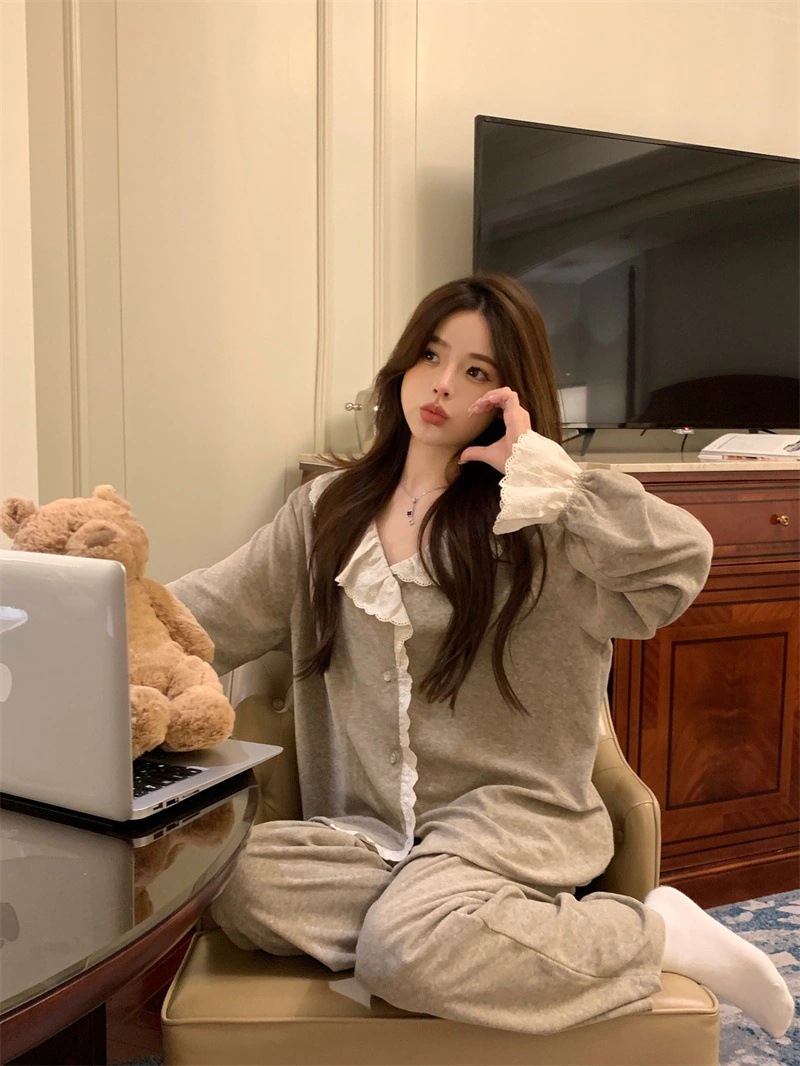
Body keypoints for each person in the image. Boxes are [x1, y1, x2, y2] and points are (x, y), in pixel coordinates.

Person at [167, 272, 794, 1039]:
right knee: (235, 880)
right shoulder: (326, 511)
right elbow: (208, 615)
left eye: (476, 372)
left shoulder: (542, 522)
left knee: (405, 951)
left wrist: (550, 477)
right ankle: (452, 933)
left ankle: (653, 935)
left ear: (509, 396)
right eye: (431, 356)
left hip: (507, 824)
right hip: (370, 834)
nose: (441, 385)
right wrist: (110, 612)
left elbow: (678, 566)